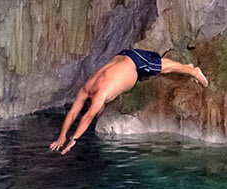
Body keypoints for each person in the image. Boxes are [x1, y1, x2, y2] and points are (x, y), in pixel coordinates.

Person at [51, 47, 208, 154]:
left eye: (98, 109)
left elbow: (87, 117)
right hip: (124, 56)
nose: (100, 111)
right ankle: (186, 67)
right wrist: (62, 135)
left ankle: (192, 71)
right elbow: (73, 113)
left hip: (134, 61)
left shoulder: (100, 94)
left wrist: (74, 139)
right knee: (158, 67)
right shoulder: (86, 89)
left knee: (163, 68)